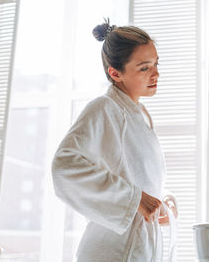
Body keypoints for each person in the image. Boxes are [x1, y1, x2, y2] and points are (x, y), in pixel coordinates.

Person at [51, 19, 178, 262]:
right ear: (115, 73)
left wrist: (161, 204)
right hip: (112, 253)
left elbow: (140, 179)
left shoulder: (141, 115)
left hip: (142, 248)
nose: (156, 74)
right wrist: (135, 198)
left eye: (156, 64)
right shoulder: (105, 108)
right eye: (144, 68)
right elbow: (64, 166)